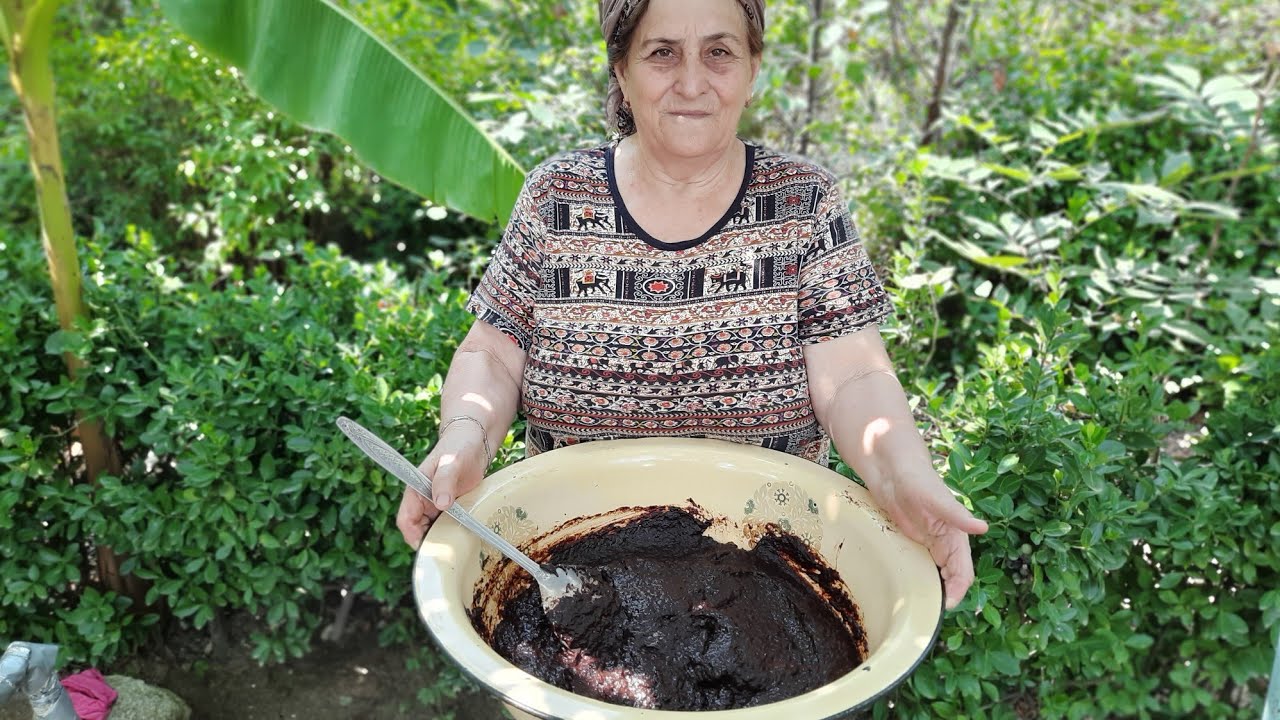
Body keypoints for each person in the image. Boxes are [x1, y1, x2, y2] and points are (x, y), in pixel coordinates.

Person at [397, 0, 988, 609]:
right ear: (622, 72)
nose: (692, 81)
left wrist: (902, 477)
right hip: (568, 588)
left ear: (752, 69)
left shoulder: (802, 203)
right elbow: (494, 352)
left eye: (719, 51)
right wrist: (464, 435)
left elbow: (854, 374)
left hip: (771, 587)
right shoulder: (557, 197)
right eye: (661, 53)